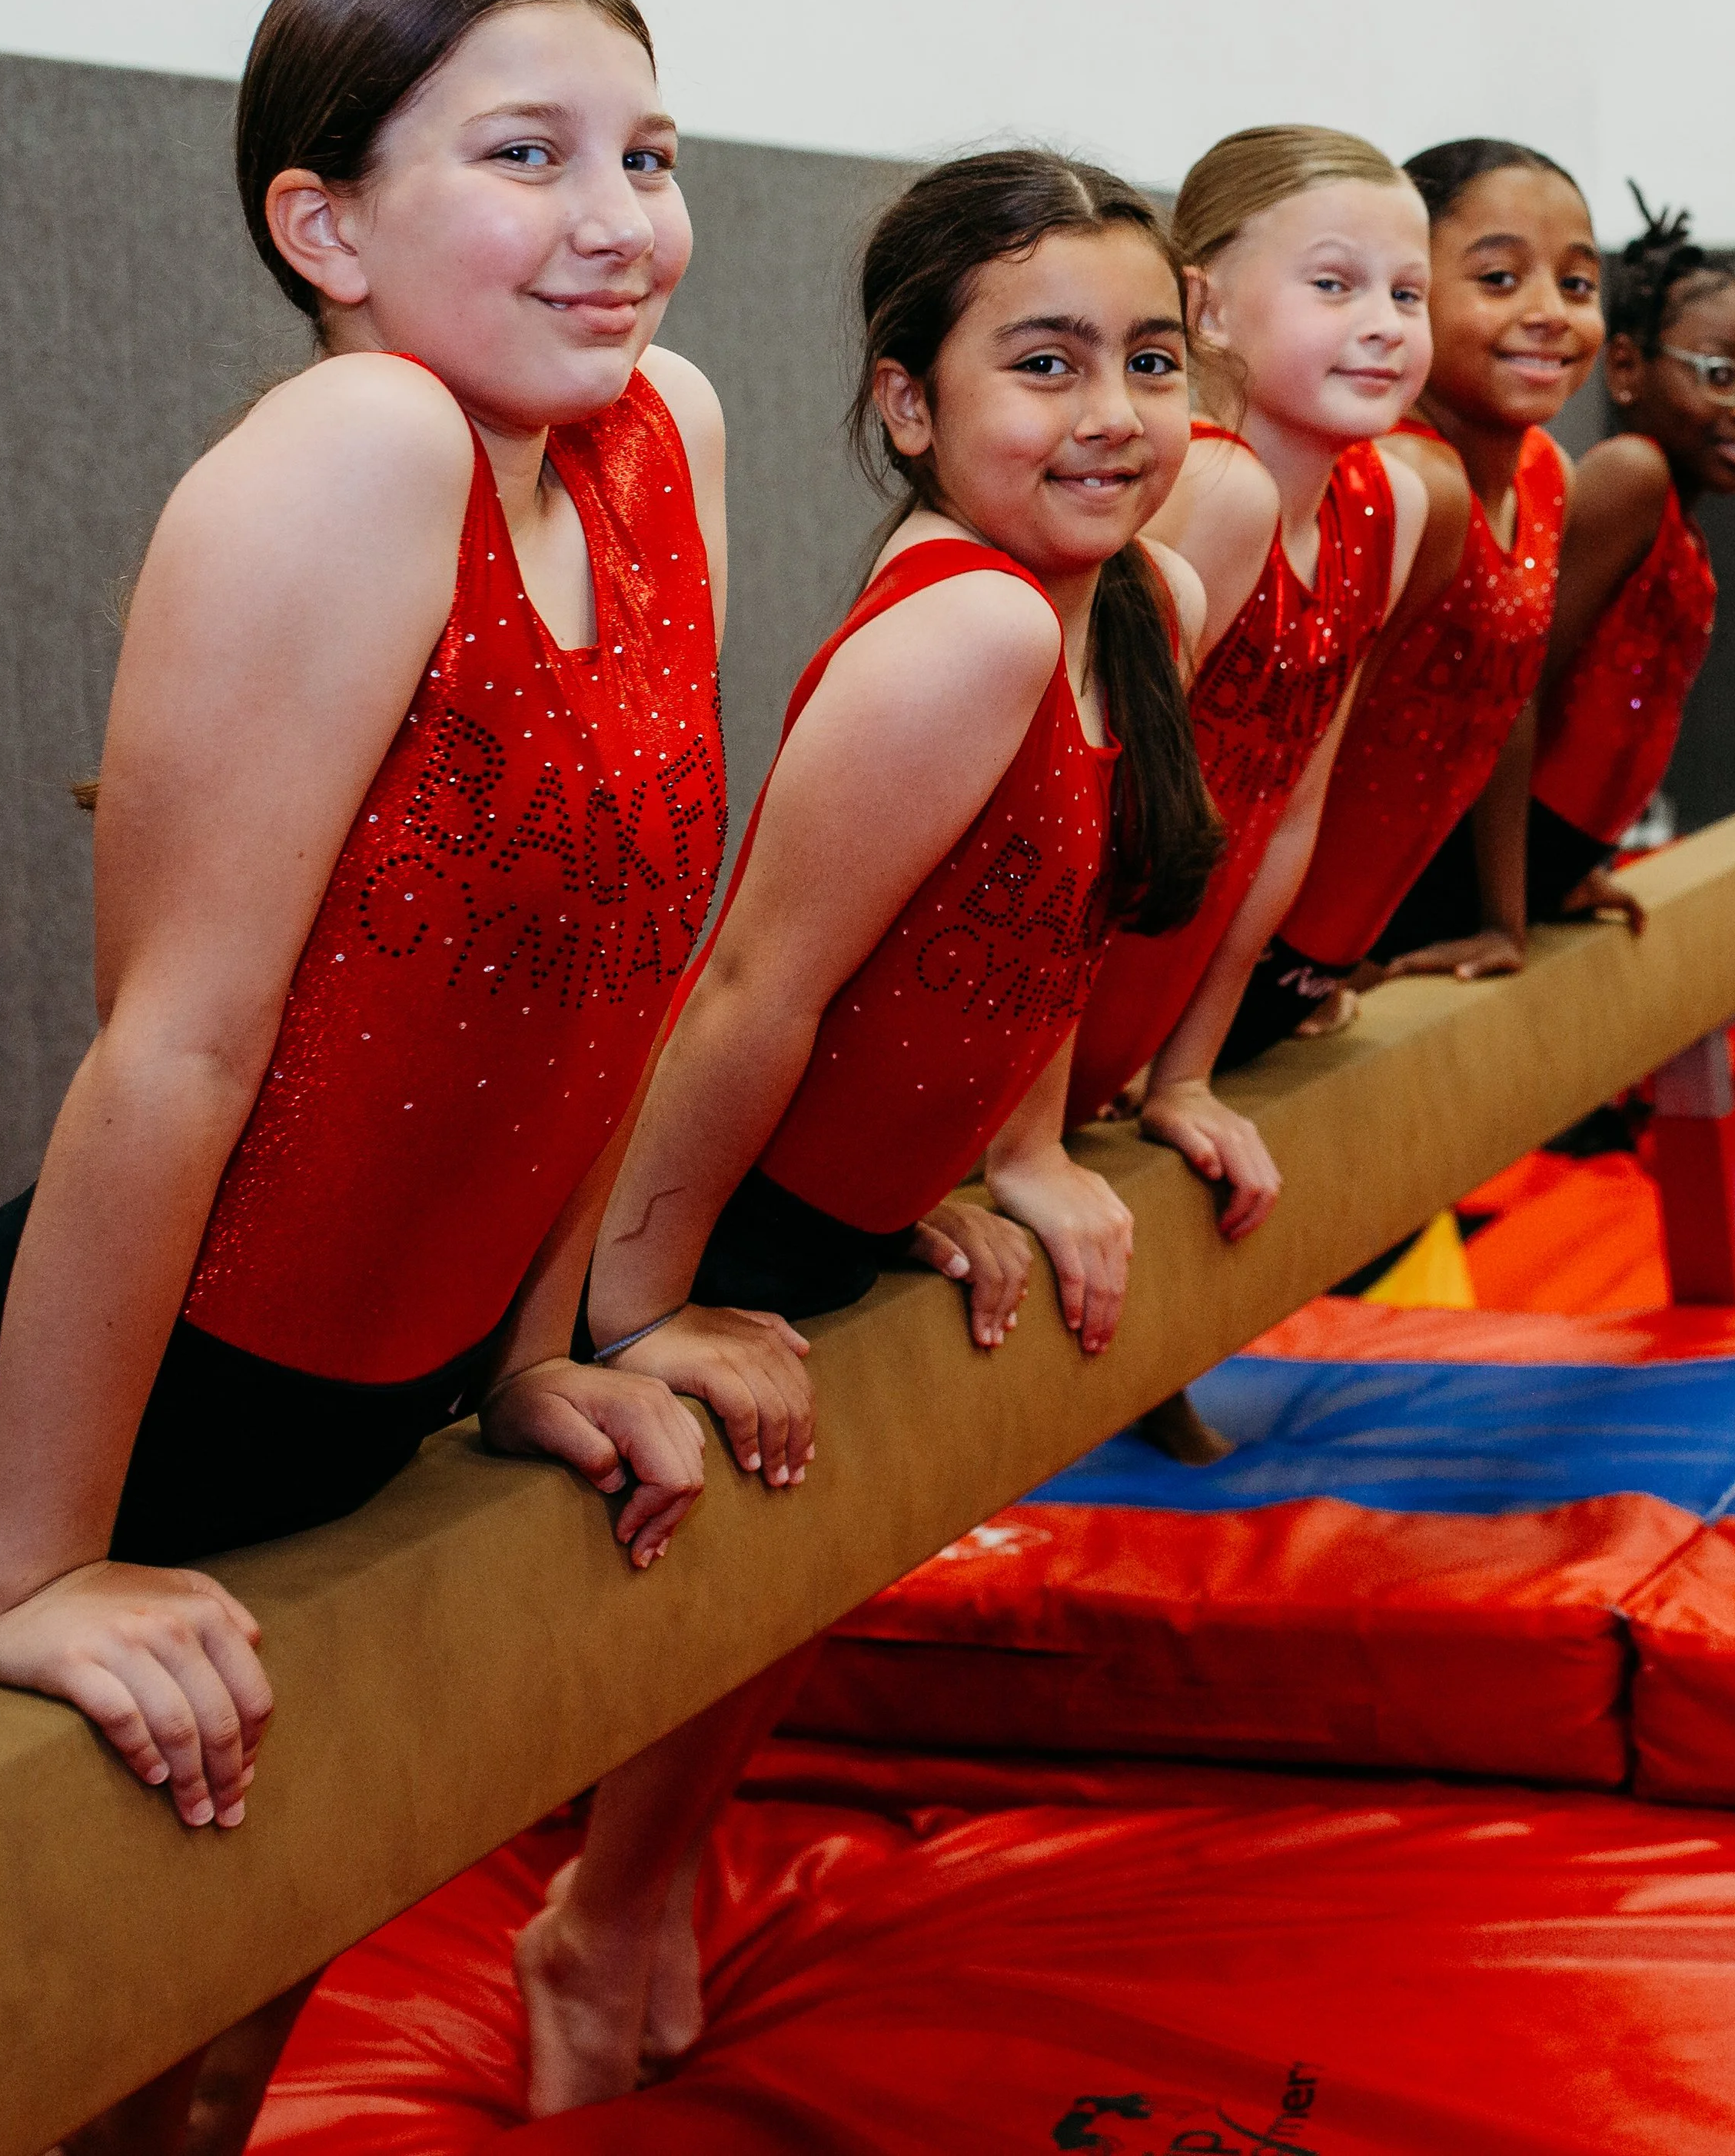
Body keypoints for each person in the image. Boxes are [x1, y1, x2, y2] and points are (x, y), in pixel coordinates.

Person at [0, 0, 758, 2140]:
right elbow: (178, 1046)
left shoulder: (657, 433)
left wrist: (532, 1351)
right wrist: (34, 1560)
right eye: (530, 151)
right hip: (154, 1395)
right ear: (322, 222)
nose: (621, 223)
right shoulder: (358, 444)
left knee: (213, 2048)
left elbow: (626, 959)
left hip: (385, 1388)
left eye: (650, 152)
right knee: (38, 2025)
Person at [512, 145, 1224, 2111]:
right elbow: (753, 989)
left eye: (1150, 359)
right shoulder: (970, 623)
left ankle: (624, 1896)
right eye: (1047, 362)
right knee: (716, 1595)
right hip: (716, 1218)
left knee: (787, 1593)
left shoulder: (1120, 605)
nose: (1111, 415)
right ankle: (590, 1916)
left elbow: (1038, 918)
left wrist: (1007, 1156)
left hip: (837, 1211)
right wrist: (645, 1302)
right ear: (910, 403)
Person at [1063, 125, 1432, 1231]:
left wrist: (1188, 1071)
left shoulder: (1388, 504)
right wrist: (1025, 1126)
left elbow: (1286, 813)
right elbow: (1068, 812)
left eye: (1409, 294)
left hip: (1163, 978)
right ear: (1205, 308)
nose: (1383, 321)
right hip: (1055, 974)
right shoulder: (1216, 495)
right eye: (1334, 283)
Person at [1221, 135, 1604, 1057]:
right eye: (1500, 279)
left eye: (1579, 284)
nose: (1549, 312)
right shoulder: (1400, 486)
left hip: (1348, 937)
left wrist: (1503, 917)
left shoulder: (1548, 475)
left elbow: (1503, 703)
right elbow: (1283, 746)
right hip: (1246, 943)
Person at [1527, 183, 1735, 918]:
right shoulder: (1632, 476)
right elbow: (1515, 694)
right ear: (1625, 368)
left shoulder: (1680, 525)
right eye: (1720, 376)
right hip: (1495, 856)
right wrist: (1497, 906)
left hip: (1557, 857)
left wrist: (1566, 874)